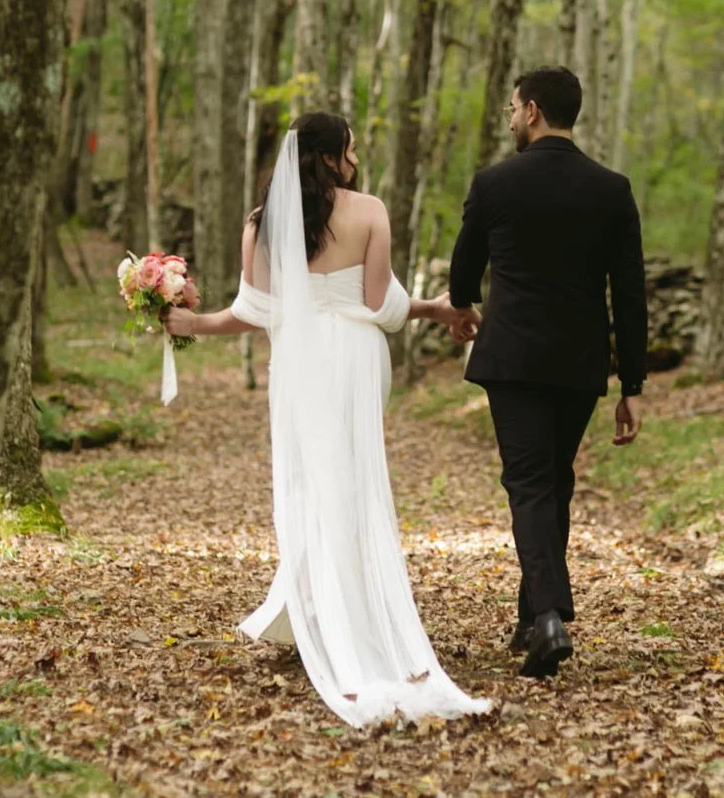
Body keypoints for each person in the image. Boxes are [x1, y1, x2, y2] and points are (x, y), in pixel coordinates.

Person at [165, 112, 491, 727]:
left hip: (299, 363)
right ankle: (340, 613)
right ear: (332, 157)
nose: (357, 154)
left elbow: (254, 311)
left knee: (312, 478)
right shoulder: (369, 211)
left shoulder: (261, 225)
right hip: (354, 359)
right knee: (352, 479)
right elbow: (380, 306)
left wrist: (194, 325)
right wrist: (433, 309)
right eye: (351, 146)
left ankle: (316, 610)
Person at [447, 66, 649, 679]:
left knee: (531, 483)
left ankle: (549, 616)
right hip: (579, 362)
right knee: (553, 481)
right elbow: (630, 295)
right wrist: (632, 385)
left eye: (512, 108)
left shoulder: (494, 184)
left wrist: (465, 309)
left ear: (532, 111)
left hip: (512, 359)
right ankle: (531, 615)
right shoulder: (612, 189)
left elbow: (463, 273)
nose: (509, 118)